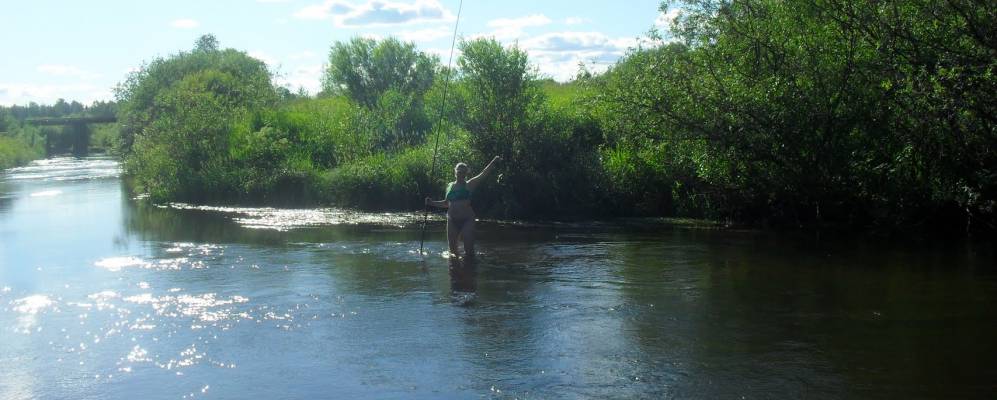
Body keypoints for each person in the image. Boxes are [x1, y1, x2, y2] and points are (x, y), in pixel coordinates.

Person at [425, 156, 501, 258]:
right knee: (452, 252)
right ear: (455, 172)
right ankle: (454, 271)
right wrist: (431, 203)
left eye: (463, 172)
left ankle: (470, 270)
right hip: (452, 220)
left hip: (467, 220)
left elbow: (483, 173)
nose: (461, 174)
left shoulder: (469, 184)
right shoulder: (449, 186)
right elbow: (446, 203)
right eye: (459, 172)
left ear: (466, 174)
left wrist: (494, 161)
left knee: (469, 251)